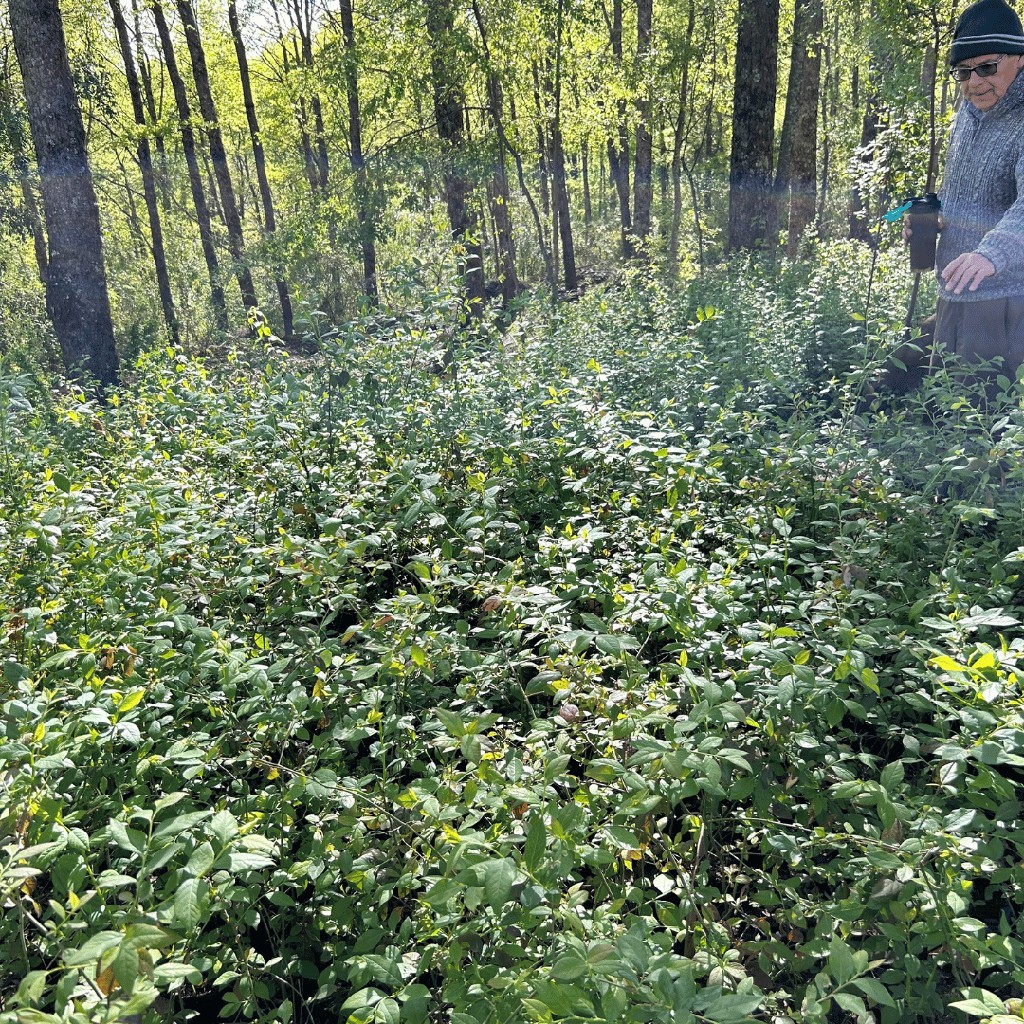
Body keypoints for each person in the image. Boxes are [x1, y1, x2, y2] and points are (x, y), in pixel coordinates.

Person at [926, 0, 1024, 374]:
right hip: (954, 290)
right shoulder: (968, 114)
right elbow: (970, 187)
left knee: (982, 420)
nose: (975, 82)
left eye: (987, 67)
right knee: (937, 407)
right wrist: (939, 213)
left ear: (1019, 58)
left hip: (1006, 303)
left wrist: (990, 254)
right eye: (964, 72)